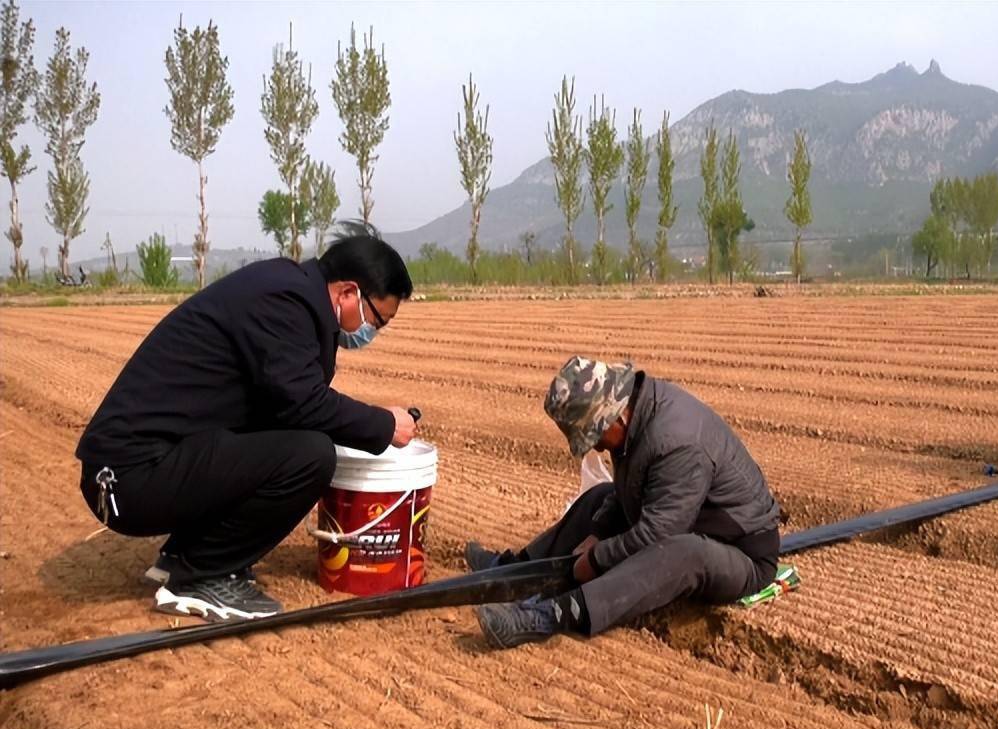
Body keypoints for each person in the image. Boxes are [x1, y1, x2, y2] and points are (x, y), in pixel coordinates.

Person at [75, 224, 418, 621]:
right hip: (127, 480)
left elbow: (286, 404)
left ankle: (182, 556)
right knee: (311, 454)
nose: (372, 332)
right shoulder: (286, 302)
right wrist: (383, 425)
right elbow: (303, 403)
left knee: (284, 436)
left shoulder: (289, 291)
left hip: (141, 468)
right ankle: (199, 575)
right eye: (378, 320)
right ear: (347, 293)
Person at [469, 356, 782, 648]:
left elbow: (661, 533)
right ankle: (517, 571)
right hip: (690, 523)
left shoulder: (676, 442)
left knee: (682, 552)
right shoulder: (639, 416)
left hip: (741, 555)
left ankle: (550, 616)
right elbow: (627, 491)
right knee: (599, 497)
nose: (599, 448)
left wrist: (597, 559)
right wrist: (598, 531)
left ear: (613, 419)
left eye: (595, 438)